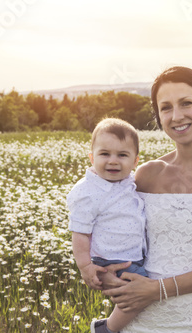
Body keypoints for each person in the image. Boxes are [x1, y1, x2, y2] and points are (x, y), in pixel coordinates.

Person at [96, 66, 192, 332]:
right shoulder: (146, 174)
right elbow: (115, 232)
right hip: (135, 322)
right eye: (166, 107)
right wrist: (106, 275)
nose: (177, 116)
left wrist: (157, 290)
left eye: (186, 103)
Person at [67, 118, 148, 333]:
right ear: (92, 158)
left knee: (139, 293)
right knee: (141, 292)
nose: (113, 161)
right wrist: (85, 266)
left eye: (122, 155)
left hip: (131, 254)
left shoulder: (129, 181)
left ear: (135, 161)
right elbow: (80, 233)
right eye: (105, 154)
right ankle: (106, 329)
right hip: (111, 258)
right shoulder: (88, 192)